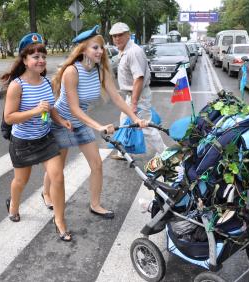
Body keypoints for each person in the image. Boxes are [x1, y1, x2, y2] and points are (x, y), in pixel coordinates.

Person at [43, 25, 147, 219]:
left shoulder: (101, 71)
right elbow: (73, 107)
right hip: (61, 122)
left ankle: (95, 204)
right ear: (83, 49)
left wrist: (135, 118)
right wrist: (98, 126)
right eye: (95, 47)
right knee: (58, 167)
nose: (100, 51)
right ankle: (46, 192)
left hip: (81, 123)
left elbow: (116, 98)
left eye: (101, 47)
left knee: (97, 164)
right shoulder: (71, 72)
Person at [1, 33, 72, 241]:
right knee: (21, 181)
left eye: (43, 56)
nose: (41, 60)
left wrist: (60, 120)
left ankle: (59, 220)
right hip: (23, 142)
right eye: (35, 56)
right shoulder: (17, 85)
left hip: (45, 138)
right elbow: (9, 117)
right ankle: (13, 205)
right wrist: (33, 111)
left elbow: (49, 108)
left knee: (58, 176)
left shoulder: (46, 82)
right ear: (24, 60)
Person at [109, 22, 167, 160]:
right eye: (114, 36)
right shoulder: (124, 51)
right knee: (124, 122)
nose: (117, 38)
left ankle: (165, 154)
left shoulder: (133, 52)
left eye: (120, 35)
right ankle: (123, 151)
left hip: (138, 95)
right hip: (132, 95)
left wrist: (134, 103)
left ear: (128, 35)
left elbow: (139, 78)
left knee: (145, 126)